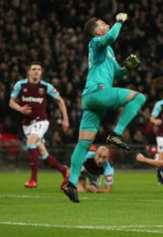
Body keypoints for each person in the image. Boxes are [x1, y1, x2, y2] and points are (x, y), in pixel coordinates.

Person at [62, 13, 146, 203]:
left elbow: (117, 73)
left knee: (83, 143)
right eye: (103, 24)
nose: (107, 25)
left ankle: (72, 184)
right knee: (139, 98)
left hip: (91, 99)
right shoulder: (96, 42)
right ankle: (116, 133)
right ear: (97, 31)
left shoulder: (108, 50)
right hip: (98, 92)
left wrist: (127, 68)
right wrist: (120, 20)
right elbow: (112, 36)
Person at [9, 61, 70, 188]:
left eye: (38, 69)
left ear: (41, 72)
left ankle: (33, 180)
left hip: (41, 121)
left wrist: (65, 118)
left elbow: (60, 100)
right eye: (33, 69)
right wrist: (20, 109)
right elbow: (11, 102)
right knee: (43, 153)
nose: (36, 71)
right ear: (29, 72)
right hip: (27, 125)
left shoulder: (46, 87)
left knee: (30, 143)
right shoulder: (20, 85)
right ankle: (64, 171)